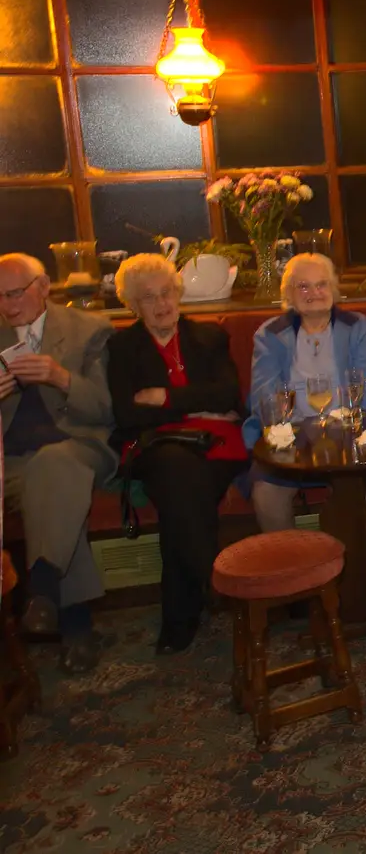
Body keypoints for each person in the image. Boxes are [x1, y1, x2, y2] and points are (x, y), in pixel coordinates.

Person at [107, 254, 248, 654]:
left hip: (218, 443)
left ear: (178, 293)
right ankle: (218, 581)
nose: (162, 303)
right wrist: (194, 406)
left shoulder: (209, 336)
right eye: (149, 298)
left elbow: (227, 396)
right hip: (155, 445)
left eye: (166, 292)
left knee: (179, 492)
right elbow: (128, 412)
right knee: (178, 473)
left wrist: (163, 397)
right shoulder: (122, 347)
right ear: (134, 306)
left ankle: (183, 617)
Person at [0, 253, 116, 674]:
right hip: (10, 461)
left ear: (44, 286)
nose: (8, 306)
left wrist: (59, 377)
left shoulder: (88, 330)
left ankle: (53, 598)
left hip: (78, 447)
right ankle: (66, 615)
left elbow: (106, 409)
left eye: (16, 293)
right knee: (50, 486)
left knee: (54, 466)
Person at [246, 253, 366, 532]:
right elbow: (264, 394)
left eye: (321, 285)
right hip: (293, 437)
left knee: (358, 487)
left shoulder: (358, 327)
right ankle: (290, 569)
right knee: (266, 493)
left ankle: (350, 566)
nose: (314, 293)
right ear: (289, 293)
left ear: (333, 289)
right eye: (303, 287)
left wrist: (343, 425)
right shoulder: (270, 334)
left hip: (348, 433)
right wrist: (294, 428)